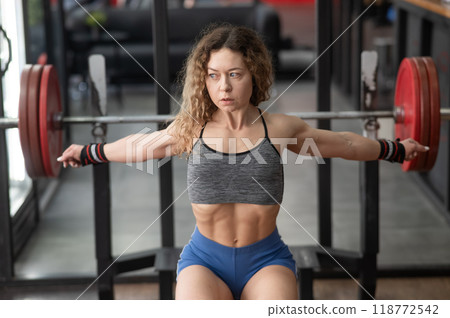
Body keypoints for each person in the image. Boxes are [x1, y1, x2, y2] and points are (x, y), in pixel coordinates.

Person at [58, 24, 428, 300]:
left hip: (265, 259)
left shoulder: (279, 128)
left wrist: (394, 148)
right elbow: (140, 146)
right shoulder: (191, 128)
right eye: (214, 76)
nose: (224, 88)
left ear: (255, 74)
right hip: (205, 259)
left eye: (235, 75)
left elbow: (345, 143)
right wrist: (89, 152)